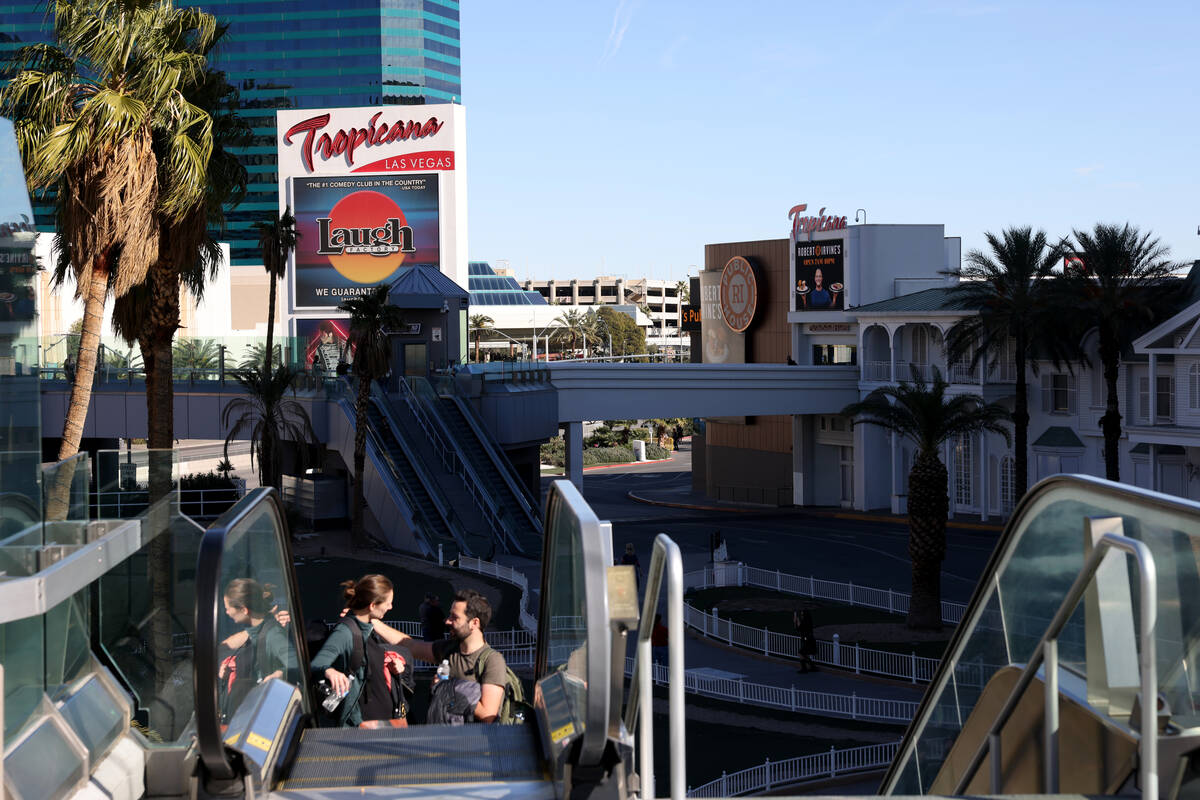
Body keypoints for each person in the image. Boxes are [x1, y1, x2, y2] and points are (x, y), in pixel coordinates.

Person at [372, 589, 507, 723]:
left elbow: (487, 714)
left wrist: (447, 688)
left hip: (471, 742)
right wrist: (373, 621)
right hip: (443, 736)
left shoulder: (493, 661)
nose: (447, 621)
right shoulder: (449, 649)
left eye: (454, 617)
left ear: (474, 623)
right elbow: (410, 645)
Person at [310, 574, 411, 727]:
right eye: (388, 603)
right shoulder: (345, 632)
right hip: (362, 726)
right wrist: (330, 671)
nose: (391, 607)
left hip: (382, 721)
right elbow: (317, 663)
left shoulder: (369, 627)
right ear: (372, 606)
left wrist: (391, 666)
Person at [218, 579, 297, 721]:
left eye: (228, 607)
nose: (227, 611)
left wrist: (279, 674)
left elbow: (296, 665)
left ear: (244, 609)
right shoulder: (254, 632)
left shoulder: (273, 634)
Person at [795, 609, 818, 673]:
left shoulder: (806, 622)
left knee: (800, 653)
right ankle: (812, 667)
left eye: (802, 615)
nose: (802, 616)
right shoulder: (807, 621)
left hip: (808, 640)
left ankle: (805, 668)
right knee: (804, 654)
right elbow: (798, 628)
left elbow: (799, 628)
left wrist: (797, 620)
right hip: (808, 640)